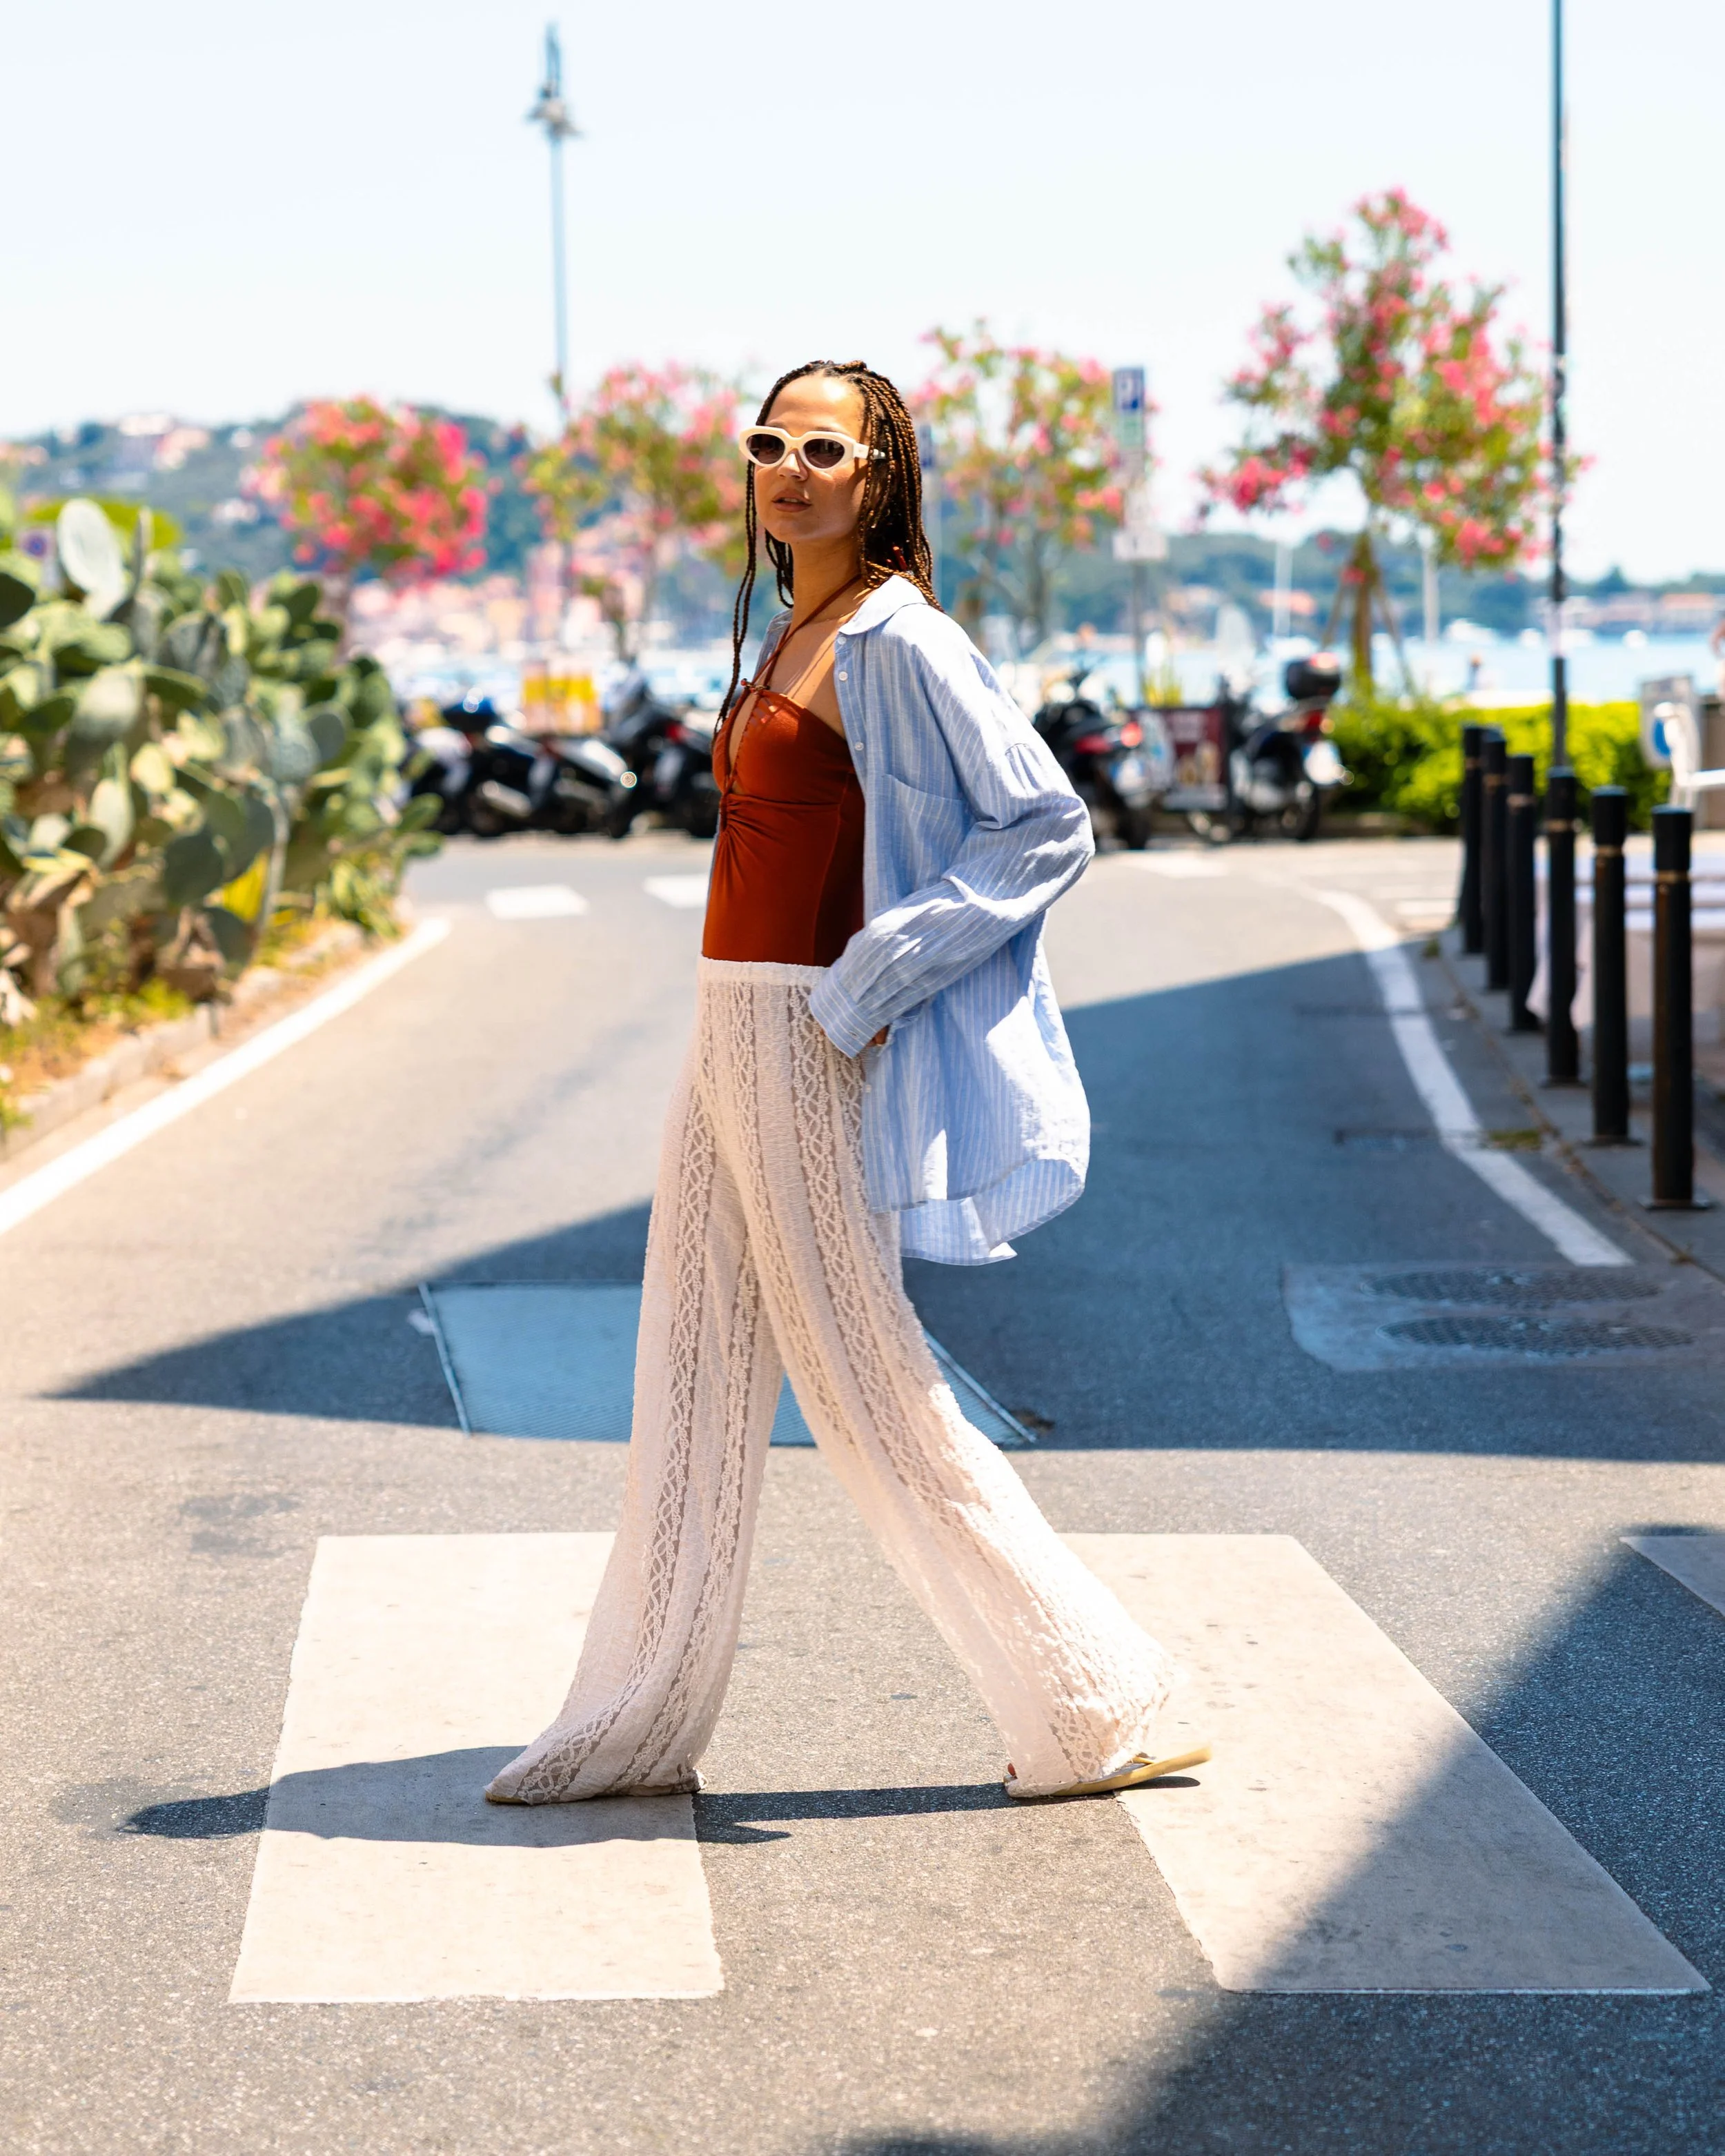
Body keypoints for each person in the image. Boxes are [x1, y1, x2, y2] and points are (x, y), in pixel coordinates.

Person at [484, 359, 1205, 1806]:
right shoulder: (790, 629)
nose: (791, 470)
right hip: (730, 1017)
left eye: (825, 449)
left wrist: (871, 978)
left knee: (865, 1378)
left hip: (805, 1028)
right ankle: (637, 1707)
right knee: (691, 1362)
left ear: (879, 476)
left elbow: (1041, 823)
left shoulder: (898, 637)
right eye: (772, 444)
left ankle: (1091, 1697)